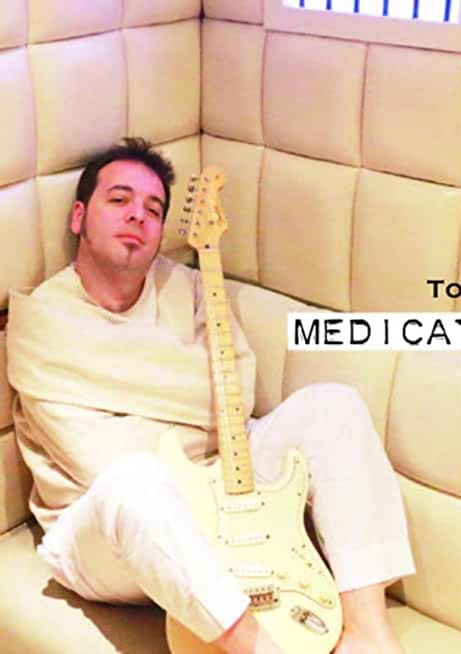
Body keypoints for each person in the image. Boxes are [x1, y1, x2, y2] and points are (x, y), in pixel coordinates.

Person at [7, 138, 415, 654]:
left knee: (333, 406)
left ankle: (367, 631)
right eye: (119, 199)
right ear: (79, 217)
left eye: (153, 209)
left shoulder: (189, 286)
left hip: (218, 479)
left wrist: (154, 410)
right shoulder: (43, 319)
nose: (137, 215)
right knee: (134, 480)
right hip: (106, 531)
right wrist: (195, 398)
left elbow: (236, 392)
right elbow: (97, 460)